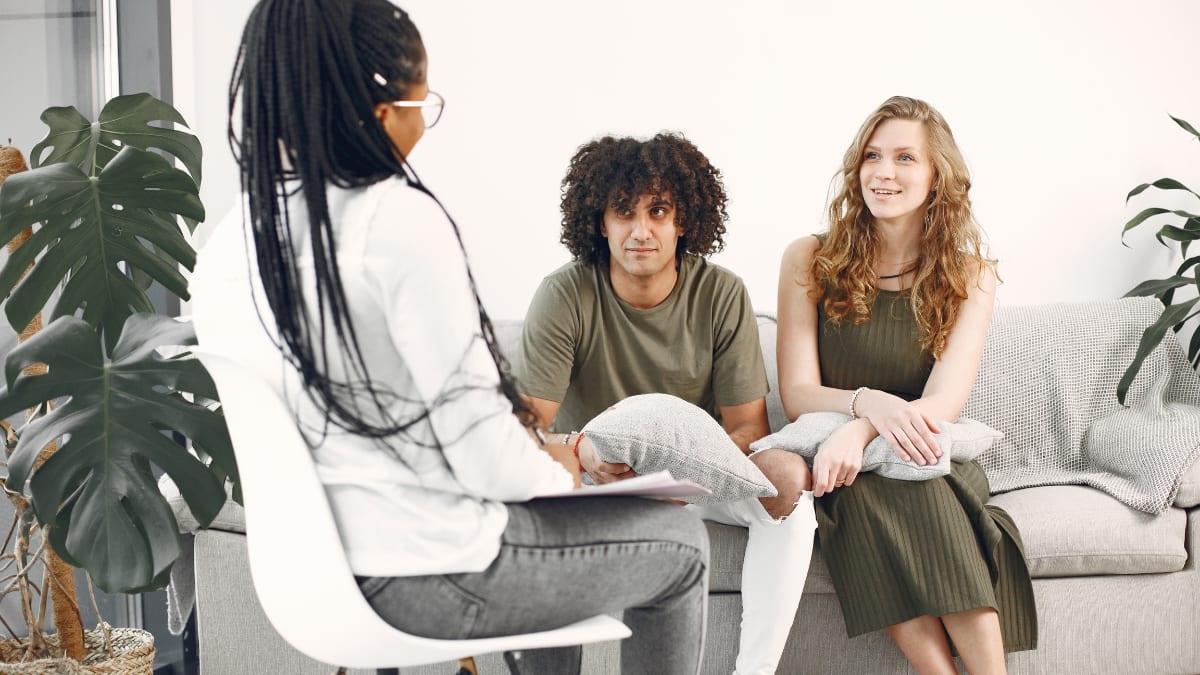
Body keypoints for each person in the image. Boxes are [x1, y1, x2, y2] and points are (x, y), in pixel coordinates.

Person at [188, 2, 710, 674]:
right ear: (380, 114)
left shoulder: (226, 250)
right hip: (425, 575)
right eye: (420, 106)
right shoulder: (394, 221)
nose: (421, 128)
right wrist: (561, 465)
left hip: (306, 582)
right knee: (681, 541)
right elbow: (487, 462)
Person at [518, 133, 817, 675]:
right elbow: (523, 433)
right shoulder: (564, 295)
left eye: (658, 211)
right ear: (599, 223)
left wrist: (682, 478)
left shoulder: (722, 293)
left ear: (683, 222)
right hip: (595, 484)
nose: (640, 231)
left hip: (694, 482)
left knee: (793, 490)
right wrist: (580, 451)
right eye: (623, 212)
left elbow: (748, 428)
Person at [775, 96, 1037, 674]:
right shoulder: (810, 259)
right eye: (872, 156)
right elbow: (797, 392)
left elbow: (945, 402)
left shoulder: (972, 276)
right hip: (841, 463)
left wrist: (870, 425)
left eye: (904, 158)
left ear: (938, 175)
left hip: (924, 449)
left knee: (919, 481)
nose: (883, 173)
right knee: (860, 492)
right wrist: (868, 407)